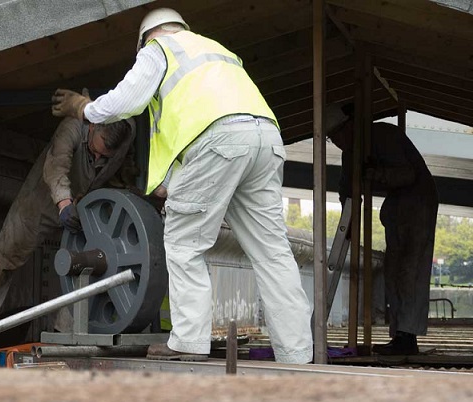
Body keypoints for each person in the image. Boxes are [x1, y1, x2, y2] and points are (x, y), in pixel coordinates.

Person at [51, 8, 313, 363]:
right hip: (265, 139)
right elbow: (195, 123)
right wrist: (171, 183)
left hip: (219, 142)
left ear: (146, 38)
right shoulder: (219, 52)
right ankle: (297, 353)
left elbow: (125, 102)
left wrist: (84, 108)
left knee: (183, 241)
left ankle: (188, 341)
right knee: (273, 253)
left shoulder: (159, 49)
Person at [0, 115, 136, 328]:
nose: (98, 156)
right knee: (4, 260)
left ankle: (64, 334)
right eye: (95, 149)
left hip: (85, 208)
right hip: (42, 201)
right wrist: (64, 202)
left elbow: (126, 165)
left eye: (105, 156)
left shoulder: (127, 132)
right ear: (93, 125)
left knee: (87, 264)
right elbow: (57, 165)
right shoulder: (72, 126)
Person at [327, 104, 439, 355]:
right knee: (395, 270)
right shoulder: (351, 152)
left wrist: (377, 174)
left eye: (338, 135)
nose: (336, 142)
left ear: (351, 126)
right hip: (399, 205)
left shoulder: (382, 136)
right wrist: (349, 221)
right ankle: (401, 334)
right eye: (332, 138)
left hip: (417, 202)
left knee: (409, 270)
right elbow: (347, 188)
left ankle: (407, 336)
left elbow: (407, 175)